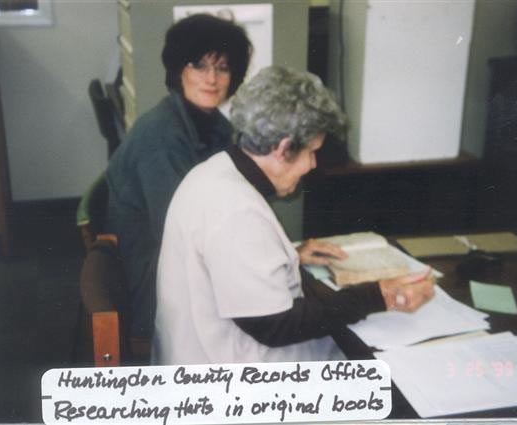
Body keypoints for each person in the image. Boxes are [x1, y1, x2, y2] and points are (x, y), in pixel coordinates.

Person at [154, 66, 436, 365]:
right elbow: (276, 326)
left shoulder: (213, 171)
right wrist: (379, 296)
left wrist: (289, 256)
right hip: (231, 378)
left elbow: (229, 264)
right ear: (283, 148)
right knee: (387, 367)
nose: (312, 164)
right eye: (311, 151)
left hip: (196, 357)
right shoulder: (237, 211)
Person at [105, 14, 252, 360]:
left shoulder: (212, 125)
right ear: (178, 70)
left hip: (177, 266)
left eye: (223, 68)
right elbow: (183, 235)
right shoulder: (163, 137)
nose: (212, 79)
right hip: (155, 283)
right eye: (199, 66)